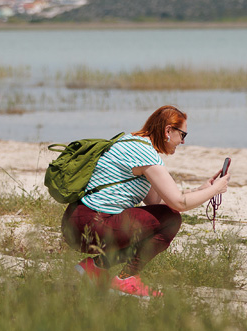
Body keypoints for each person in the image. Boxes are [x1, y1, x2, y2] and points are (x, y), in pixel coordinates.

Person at [61, 104, 230, 298]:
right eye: (183, 135)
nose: (182, 142)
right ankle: (126, 278)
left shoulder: (134, 142)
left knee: (161, 218)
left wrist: (201, 190)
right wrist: (215, 190)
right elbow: (179, 204)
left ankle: (96, 268)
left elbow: (154, 203)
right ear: (168, 131)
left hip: (78, 222)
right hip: (89, 224)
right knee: (171, 219)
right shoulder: (145, 154)